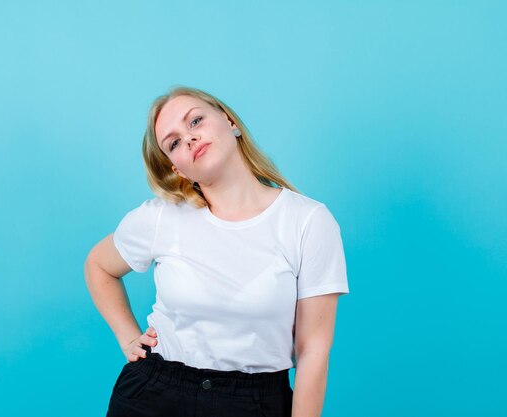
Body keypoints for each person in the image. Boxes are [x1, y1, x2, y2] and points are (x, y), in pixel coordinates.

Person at [84, 86, 350, 417]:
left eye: (195, 121)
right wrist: (128, 338)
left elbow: (313, 351)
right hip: (154, 396)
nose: (190, 139)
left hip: (254, 402)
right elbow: (99, 265)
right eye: (174, 143)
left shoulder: (308, 221)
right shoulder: (160, 217)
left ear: (230, 121)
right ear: (176, 168)